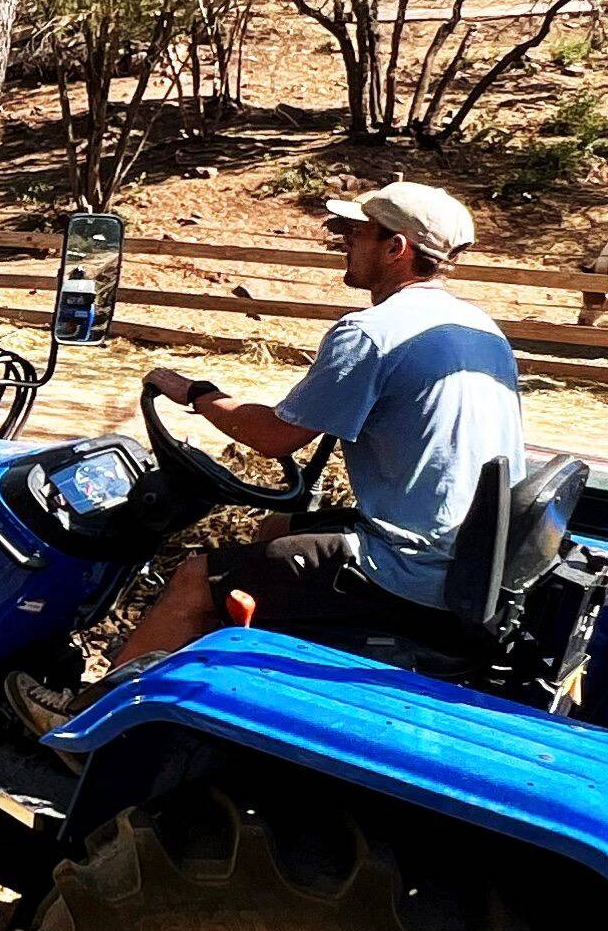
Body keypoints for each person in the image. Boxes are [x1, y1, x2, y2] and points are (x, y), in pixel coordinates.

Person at [94, 181, 523, 676]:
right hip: (469, 553)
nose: (344, 240)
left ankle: (85, 718)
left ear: (395, 248)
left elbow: (274, 436)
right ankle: (223, 674)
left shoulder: (373, 332)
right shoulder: (481, 328)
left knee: (194, 579)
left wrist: (195, 392)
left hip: (409, 565)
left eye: (357, 232)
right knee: (274, 529)